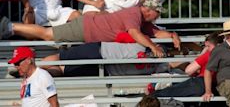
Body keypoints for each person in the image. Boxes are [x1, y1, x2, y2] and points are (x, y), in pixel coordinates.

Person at [0, 0, 181, 57]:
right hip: (85, 28)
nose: (159, 16)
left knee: (48, 36)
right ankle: (11, 26)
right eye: (159, 12)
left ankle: (11, 27)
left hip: (88, 30)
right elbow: (134, 33)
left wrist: (173, 35)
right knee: (47, 35)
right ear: (150, 10)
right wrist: (153, 47)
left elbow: (156, 33)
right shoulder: (134, 14)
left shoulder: (141, 20)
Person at [40, 42, 176, 77]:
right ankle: (36, 68)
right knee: (62, 57)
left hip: (106, 70)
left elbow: (178, 64)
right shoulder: (145, 41)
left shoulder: (160, 66)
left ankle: (37, 73)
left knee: (64, 70)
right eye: (163, 49)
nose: (162, 53)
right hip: (100, 49)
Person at [151, 31, 223, 97]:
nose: (207, 48)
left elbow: (188, 70)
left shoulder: (210, 54)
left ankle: (153, 95)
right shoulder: (228, 53)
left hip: (201, 84)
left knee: (170, 91)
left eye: (208, 46)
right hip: (216, 85)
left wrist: (202, 54)